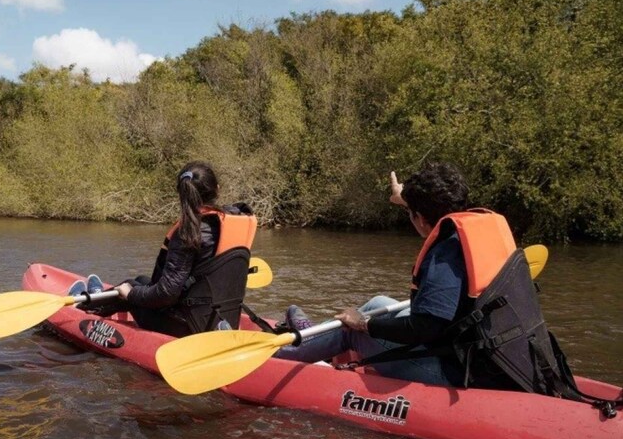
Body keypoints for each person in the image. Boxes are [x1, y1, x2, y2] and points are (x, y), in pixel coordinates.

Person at [275, 162, 519, 388]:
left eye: (410, 212)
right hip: (478, 351)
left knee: (350, 329)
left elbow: (423, 329)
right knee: (379, 303)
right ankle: (310, 339)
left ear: (420, 218)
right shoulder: (473, 234)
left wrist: (364, 324)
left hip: (453, 371)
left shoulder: (444, 256)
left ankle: (275, 359)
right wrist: (404, 198)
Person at [78, 161, 258, 338]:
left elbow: (166, 294)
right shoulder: (234, 222)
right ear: (217, 189)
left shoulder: (189, 233)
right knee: (141, 280)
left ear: (182, 194)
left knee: (130, 287)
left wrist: (130, 294)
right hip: (220, 317)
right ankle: (95, 301)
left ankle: (82, 310)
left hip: (190, 327)